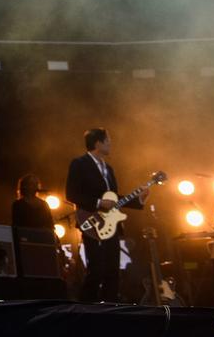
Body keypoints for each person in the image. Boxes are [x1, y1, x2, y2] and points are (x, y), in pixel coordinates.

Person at [64, 127, 147, 303]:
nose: (111, 144)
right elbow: (71, 194)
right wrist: (98, 203)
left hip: (111, 224)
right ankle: (86, 307)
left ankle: (110, 307)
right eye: (108, 140)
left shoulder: (108, 169)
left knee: (112, 269)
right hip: (91, 220)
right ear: (97, 143)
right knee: (96, 269)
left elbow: (114, 199)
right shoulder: (79, 164)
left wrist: (138, 200)